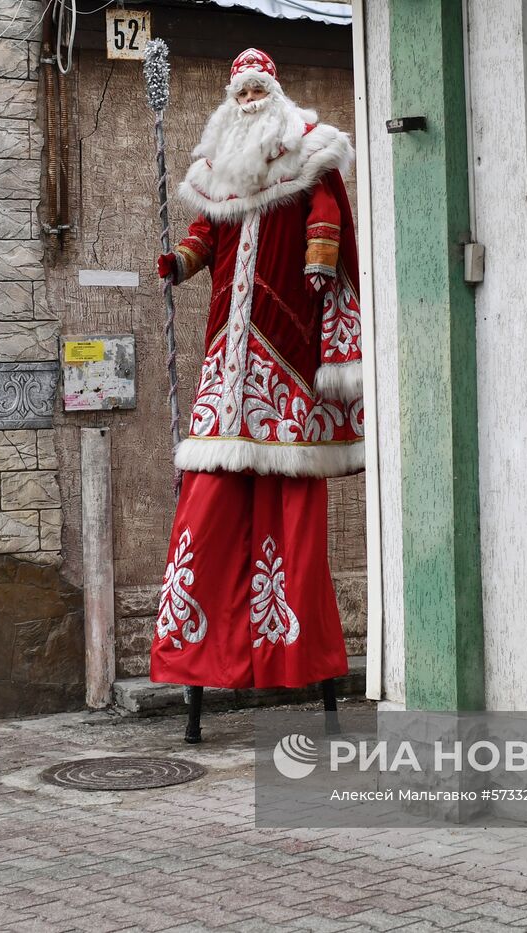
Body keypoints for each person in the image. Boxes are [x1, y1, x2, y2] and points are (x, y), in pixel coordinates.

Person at [151, 49, 364, 698]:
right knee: (210, 492)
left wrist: (320, 259)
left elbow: (326, 210)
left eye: (255, 89)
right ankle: (198, 654)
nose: (247, 99)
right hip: (226, 351)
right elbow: (204, 233)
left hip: (284, 343)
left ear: (271, 91)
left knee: (290, 499)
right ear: (230, 98)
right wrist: (180, 263)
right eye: (239, 91)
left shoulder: (305, 148)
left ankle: (294, 657)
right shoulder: (218, 168)